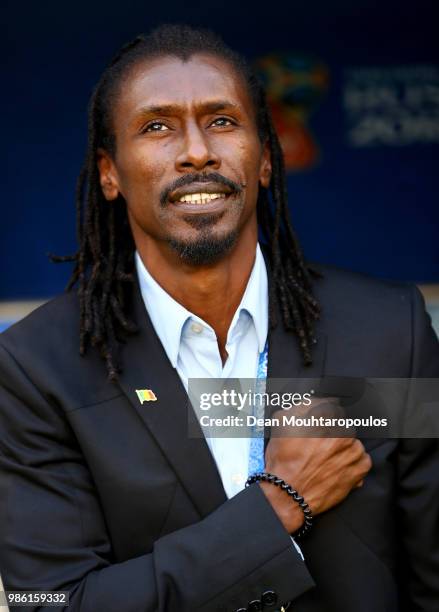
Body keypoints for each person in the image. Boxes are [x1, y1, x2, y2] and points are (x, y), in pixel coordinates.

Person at [0, 24, 438, 612]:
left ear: (263, 158)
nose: (197, 150)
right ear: (109, 172)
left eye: (223, 121)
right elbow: (47, 605)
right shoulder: (37, 369)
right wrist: (276, 508)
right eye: (157, 126)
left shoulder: (391, 331)